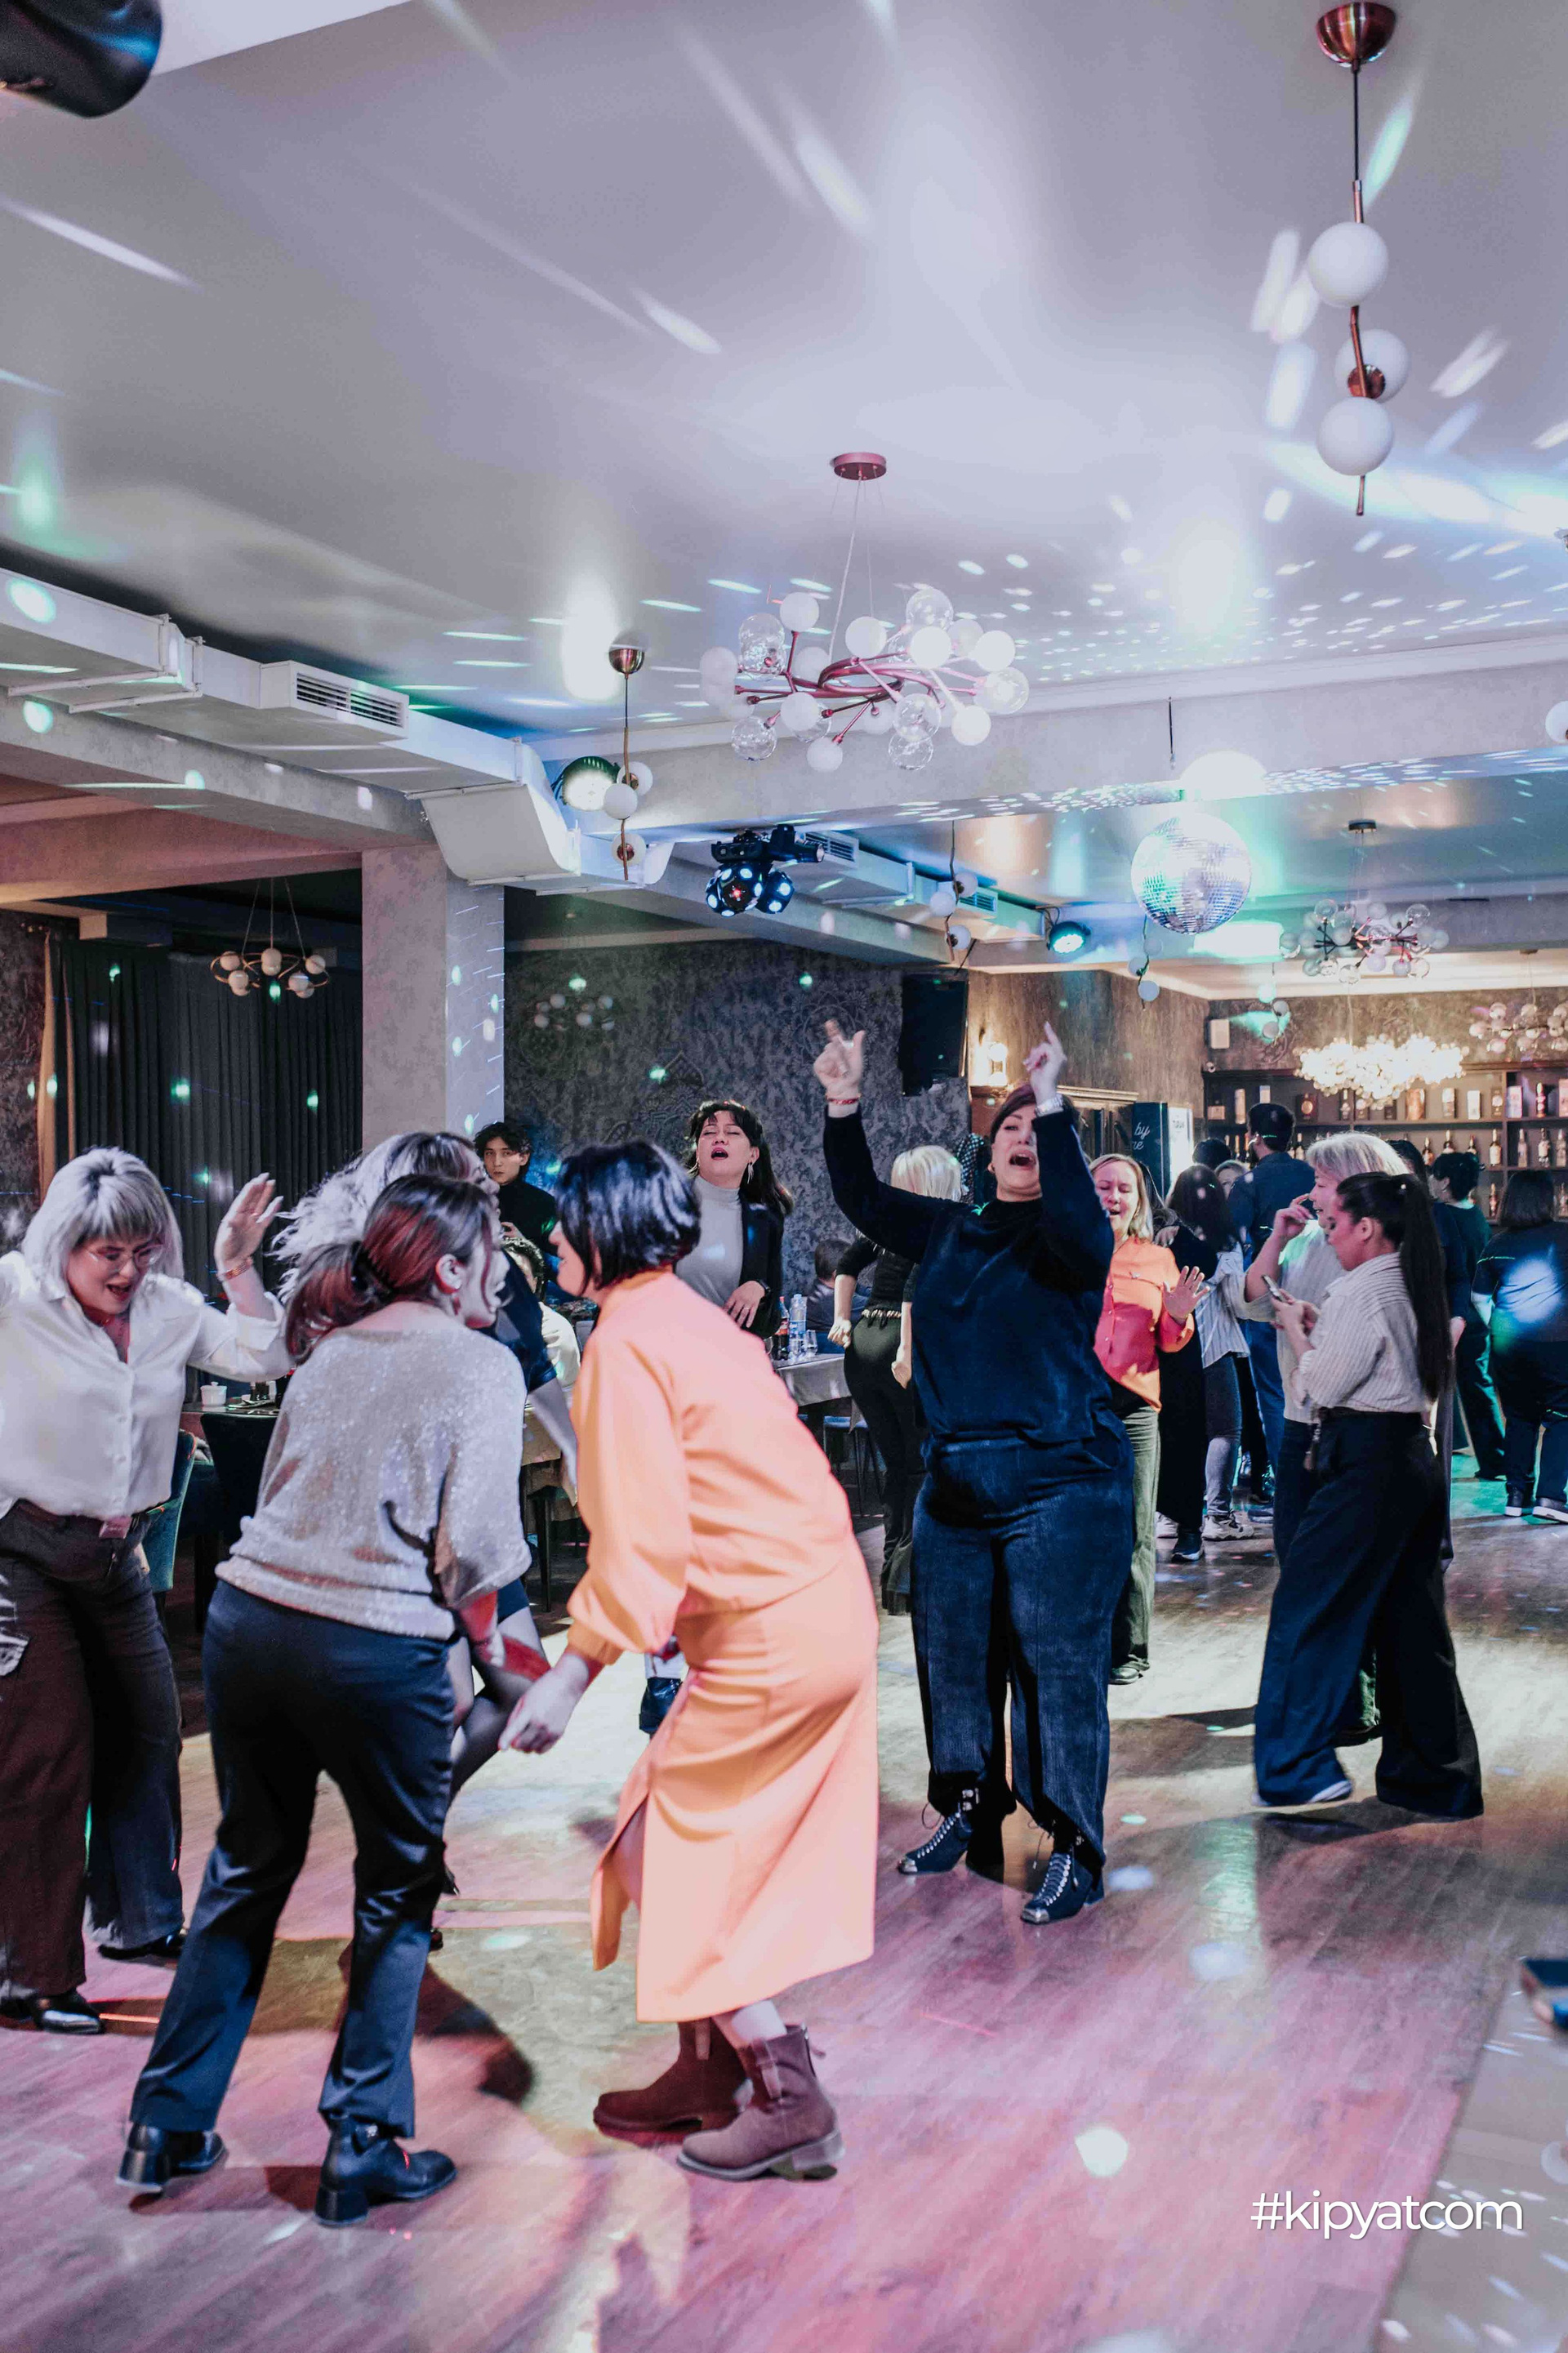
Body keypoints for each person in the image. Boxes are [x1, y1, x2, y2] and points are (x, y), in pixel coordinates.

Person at [119, 1172, 531, 2223]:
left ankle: (165, 2124)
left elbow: (277, 1494)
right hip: (375, 1643)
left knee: (245, 1870)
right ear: (453, 1268)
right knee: (397, 1888)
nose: (504, 1271)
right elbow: (478, 1546)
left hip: (251, 1622)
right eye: (494, 1253)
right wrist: (500, 1657)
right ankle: (362, 2141)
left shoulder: (332, 1350)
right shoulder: (483, 1364)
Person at [502, 1140, 877, 2182]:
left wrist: (574, 1668)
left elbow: (643, 1535)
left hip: (768, 1632)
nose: (551, 1234)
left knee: (652, 1851)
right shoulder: (688, 1319)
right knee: (683, 1834)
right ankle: (707, 2073)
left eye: (565, 1216)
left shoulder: (627, 1343)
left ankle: (786, 2091)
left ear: (604, 1228)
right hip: (810, 1608)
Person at [817, 1019, 1130, 1927]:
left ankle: (1073, 1844)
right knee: (951, 1659)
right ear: (986, 1154)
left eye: (1039, 1129)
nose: (1023, 1137)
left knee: (1057, 1669)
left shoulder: (1072, 1235)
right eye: (1010, 1128)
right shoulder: (951, 1228)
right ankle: (966, 1805)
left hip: (1062, 1480)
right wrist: (843, 1103)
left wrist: (1053, 1099)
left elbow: (1081, 1225)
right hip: (954, 1480)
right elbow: (861, 1197)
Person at [0, 1151, 289, 2037]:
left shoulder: (168, 1308)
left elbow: (268, 1354)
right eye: (108, 1254)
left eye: (142, 1250)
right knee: (48, 1755)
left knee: (149, 1730)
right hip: (21, 1553)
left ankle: (139, 1921)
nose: (127, 1271)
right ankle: (30, 1976)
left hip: (115, 1554)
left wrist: (236, 1265)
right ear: (63, 1243)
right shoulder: (14, 1294)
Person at [278, 1132, 564, 1813]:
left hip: (470, 1539)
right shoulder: (364, 1290)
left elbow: (534, 1362)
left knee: (526, 1688)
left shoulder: (495, 1270)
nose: (491, 1188)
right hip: (401, 1536)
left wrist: (580, 1451)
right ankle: (411, 1841)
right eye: (475, 1181)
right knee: (452, 1698)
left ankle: (420, 1818)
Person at [1252, 1170, 1481, 1818]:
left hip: (1367, 1466)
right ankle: (1436, 1777)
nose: (1329, 1233)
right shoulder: (1413, 1281)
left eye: (1335, 1223)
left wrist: (1296, 1329)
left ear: (1367, 1227)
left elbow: (1318, 1387)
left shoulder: (1361, 1289)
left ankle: (1297, 1767)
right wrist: (1320, 1326)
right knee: (1413, 1625)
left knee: (1307, 1608)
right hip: (1410, 1458)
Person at [1241, 1133, 1405, 1574]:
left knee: (1343, 1566)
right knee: (1296, 1551)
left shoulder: (1389, 1254)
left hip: (1359, 1426)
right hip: (1301, 1420)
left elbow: (1349, 1357)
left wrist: (1301, 1327)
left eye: (1321, 1183)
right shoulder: (1308, 1238)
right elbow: (1255, 1304)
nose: (1312, 1194)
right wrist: (1277, 1239)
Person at [833, 1147, 965, 1614]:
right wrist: (908, 1352)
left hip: (865, 1341)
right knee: (919, 1465)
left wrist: (843, 1319)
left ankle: (894, 1576)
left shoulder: (886, 1225)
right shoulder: (940, 1222)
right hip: (901, 1345)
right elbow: (914, 1291)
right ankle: (908, 1581)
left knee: (897, 1465)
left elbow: (845, 1266)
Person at [1089, 1153, 1202, 1682]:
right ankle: (1080, 1643)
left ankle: (1130, 1650)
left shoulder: (1158, 1259)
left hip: (1134, 1407)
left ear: (1138, 1202)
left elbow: (1173, 1340)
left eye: (1123, 1189)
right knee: (1076, 1527)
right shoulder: (1065, 1250)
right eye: (1103, 1186)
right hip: (1075, 1405)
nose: (1113, 1197)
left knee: (1135, 1529)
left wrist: (1178, 1313)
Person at [1168, 1166, 1261, 1549]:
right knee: (1225, 1429)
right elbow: (1238, 1301)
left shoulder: (1166, 1237)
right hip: (1214, 1344)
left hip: (1172, 1344)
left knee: (1179, 1429)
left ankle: (1170, 1515)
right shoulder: (1225, 1241)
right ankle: (1219, 1516)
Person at [1472, 1168, 1568, 1521]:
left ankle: (1517, 1496)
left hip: (1508, 1346)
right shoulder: (1564, 1236)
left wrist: (1499, 1328)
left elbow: (1479, 1298)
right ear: (1547, 1200)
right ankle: (1551, 1498)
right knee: (1562, 1416)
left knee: (1519, 1417)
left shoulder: (1496, 1245)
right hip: (1557, 1343)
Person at [1225, 1104, 1312, 1474]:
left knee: (1275, 1392)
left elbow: (1230, 1238)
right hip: (1316, 1285)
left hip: (1271, 1290)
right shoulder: (1314, 1173)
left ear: (1254, 1137)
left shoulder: (1250, 1183)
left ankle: (1287, 1479)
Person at [1432, 1148, 1507, 1483]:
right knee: (1478, 1388)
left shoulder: (1443, 1218)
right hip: (1478, 1315)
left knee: (1448, 1388)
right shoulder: (1476, 1216)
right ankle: (1494, 1459)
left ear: (1445, 1182)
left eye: (1434, 1176)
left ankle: (1482, 1459)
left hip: (1456, 1315)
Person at [475, 1120, 559, 1254]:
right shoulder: (471, 1199)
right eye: (490, 1153)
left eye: (506, 1153)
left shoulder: (544, 1205)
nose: (497, 1162)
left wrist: (525, 1246)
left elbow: (563, 1259)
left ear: (523, 1158)